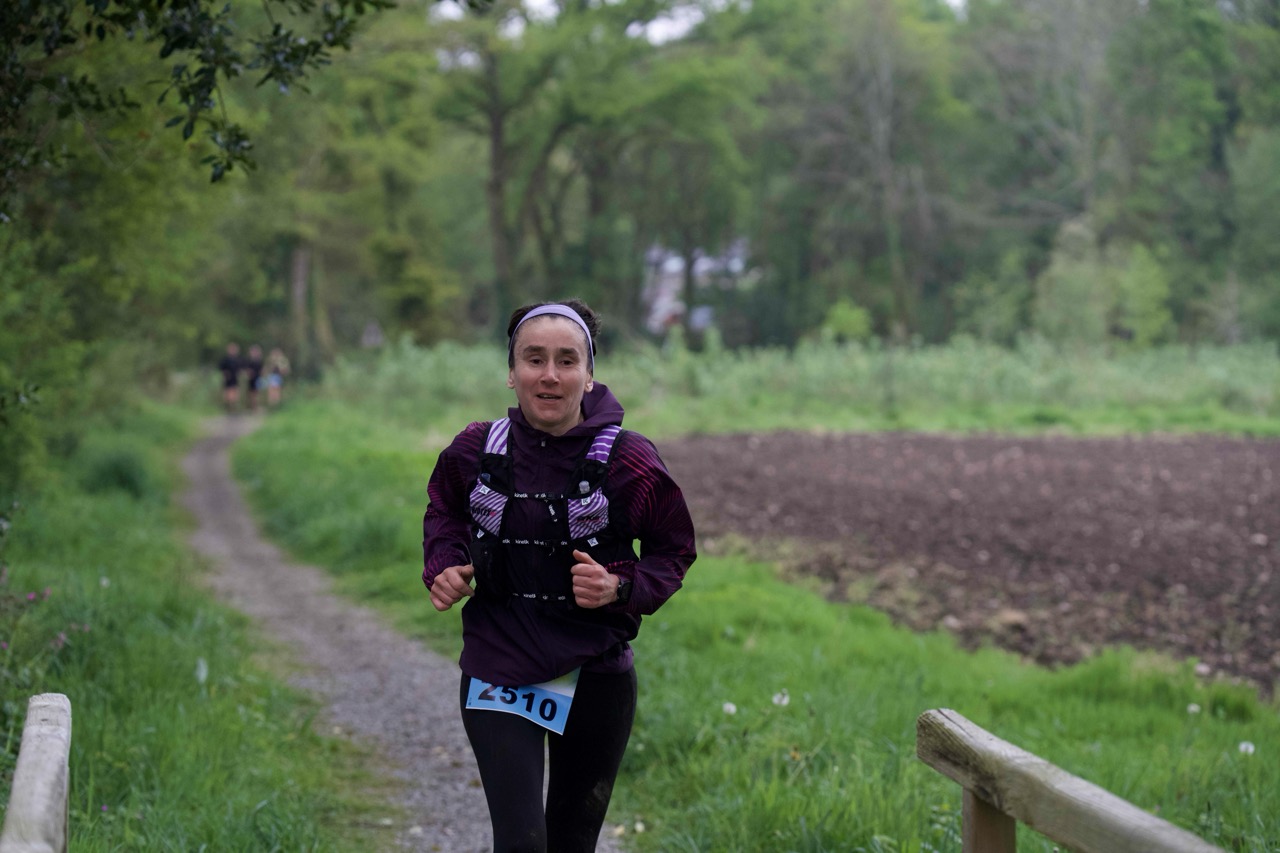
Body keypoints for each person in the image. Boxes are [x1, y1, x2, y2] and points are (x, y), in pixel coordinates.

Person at [422, 299, 697, 853]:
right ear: (511, 372)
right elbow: (445, 510)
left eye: (567, 361)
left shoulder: (629, 460)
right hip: (499, 665)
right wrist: (445, 564)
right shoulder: (475, 449)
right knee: (521, 843)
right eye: (534, 359)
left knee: (572, 843)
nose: (550, 375)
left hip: (596, 671)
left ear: (589, 375)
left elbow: (673, 550)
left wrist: (620, 587)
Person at [217, 342, 241, 413]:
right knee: (228, 394)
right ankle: (229, 407)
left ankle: (233, 407)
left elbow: (241, 369)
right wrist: (225, 374)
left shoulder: (238, 359)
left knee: (235, 394)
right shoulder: (225, 359)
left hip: (235, 379)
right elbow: (221, 368)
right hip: (228, 379)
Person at [243, 344, 265, 412]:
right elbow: (246, 370)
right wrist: (249, 373)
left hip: (258, 379)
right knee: (252, 394)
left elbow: (262, 370)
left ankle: (256, 406)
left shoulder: (259, 360)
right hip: (252, 379)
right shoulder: (248, 360)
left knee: (258, 393)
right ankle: (253, 407)